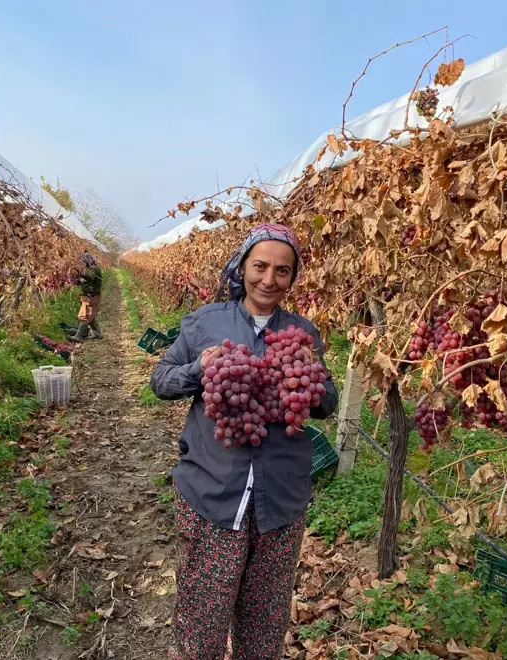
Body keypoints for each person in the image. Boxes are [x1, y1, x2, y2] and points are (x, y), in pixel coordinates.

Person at [150, 224, 338, 660]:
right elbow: (161, 380)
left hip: (281, 502)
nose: (269, 280)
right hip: (212, 494)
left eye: (282, 271)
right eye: (260, 267)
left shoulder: (303, 332)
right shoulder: (204, 322)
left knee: (266, 621)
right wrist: (198, 367)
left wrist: (315, 374)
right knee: (202, 618)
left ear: (293, 278)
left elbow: (325, 405)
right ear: (242, 266)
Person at [70, 253, 103, 342]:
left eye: (84, 261)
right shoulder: (93, 269)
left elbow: (89, 278)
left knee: (84, 315)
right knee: (90, 316)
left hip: (91, 297)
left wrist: (80, 274)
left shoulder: (93, 269)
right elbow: (88, 282)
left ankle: (79, 336)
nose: (83, 263)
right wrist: (79, 282)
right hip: (91, 296)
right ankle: (97, 333)